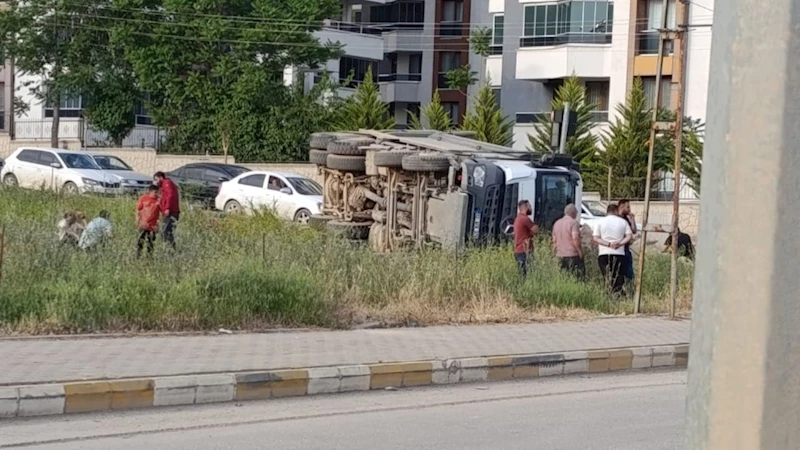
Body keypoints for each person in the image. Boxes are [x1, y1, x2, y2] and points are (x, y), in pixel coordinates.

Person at [592, 204, 633, 295]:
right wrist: (620, 243)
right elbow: (629, 236)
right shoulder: (623, 222)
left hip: (604, 253)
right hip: (620, 253)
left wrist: (608, 244)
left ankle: (608, 293)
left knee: (607, 276)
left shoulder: (599, 222)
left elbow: (596, 238)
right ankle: (617, 294)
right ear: (616, 211)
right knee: (619, 276)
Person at [552, 204, 585, 280]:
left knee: (563, 278)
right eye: (576, 212)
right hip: (572, 255)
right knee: (577, 278)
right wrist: (580, 252)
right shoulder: (574, 223)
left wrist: (553, 254)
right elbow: (575, 238)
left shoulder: (556, 223)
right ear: (573, 212)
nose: (577, 214)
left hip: (560, 255)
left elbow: (554, 241)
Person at [153, 171, 181, 250]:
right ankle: (169, 249)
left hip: (171, 211)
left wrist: (167, 208)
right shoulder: (164, 186)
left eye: (156, 179)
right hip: (169, 211)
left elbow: (170, 196)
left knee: (166, 231)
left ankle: (171, 249)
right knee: (166, 231)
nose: (156, 181)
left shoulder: (167, 183)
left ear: (161, 177)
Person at [513, 200, 539, 277]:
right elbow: (536, 230)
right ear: (525, 207)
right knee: (527, 274)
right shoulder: (525, 219)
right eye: (530, 206)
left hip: (519, 250)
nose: (531, 208)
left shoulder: (518, 218)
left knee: (522, 274)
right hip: (524, 250)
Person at [136, 185, 161, 257]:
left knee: (151, 243)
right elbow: (138, 209)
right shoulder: (144, 198)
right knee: (140, 241)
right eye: (155, 192)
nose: (156, 194)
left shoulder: (158, 200)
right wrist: (137, 220)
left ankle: (149, 258)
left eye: (158, 192)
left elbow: (162, 212)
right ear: (150, 192)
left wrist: (158, 225)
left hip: (153, 225)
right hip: (143, 224)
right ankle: (138, 256)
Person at [616, 199, 637, 281]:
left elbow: (634, 231)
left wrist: (632, 220)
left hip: (626, 248)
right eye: (628, 207)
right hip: (619, 248)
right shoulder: (617, 218)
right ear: (622, 207)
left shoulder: (626, 219)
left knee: (629, 273)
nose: (629, 209)